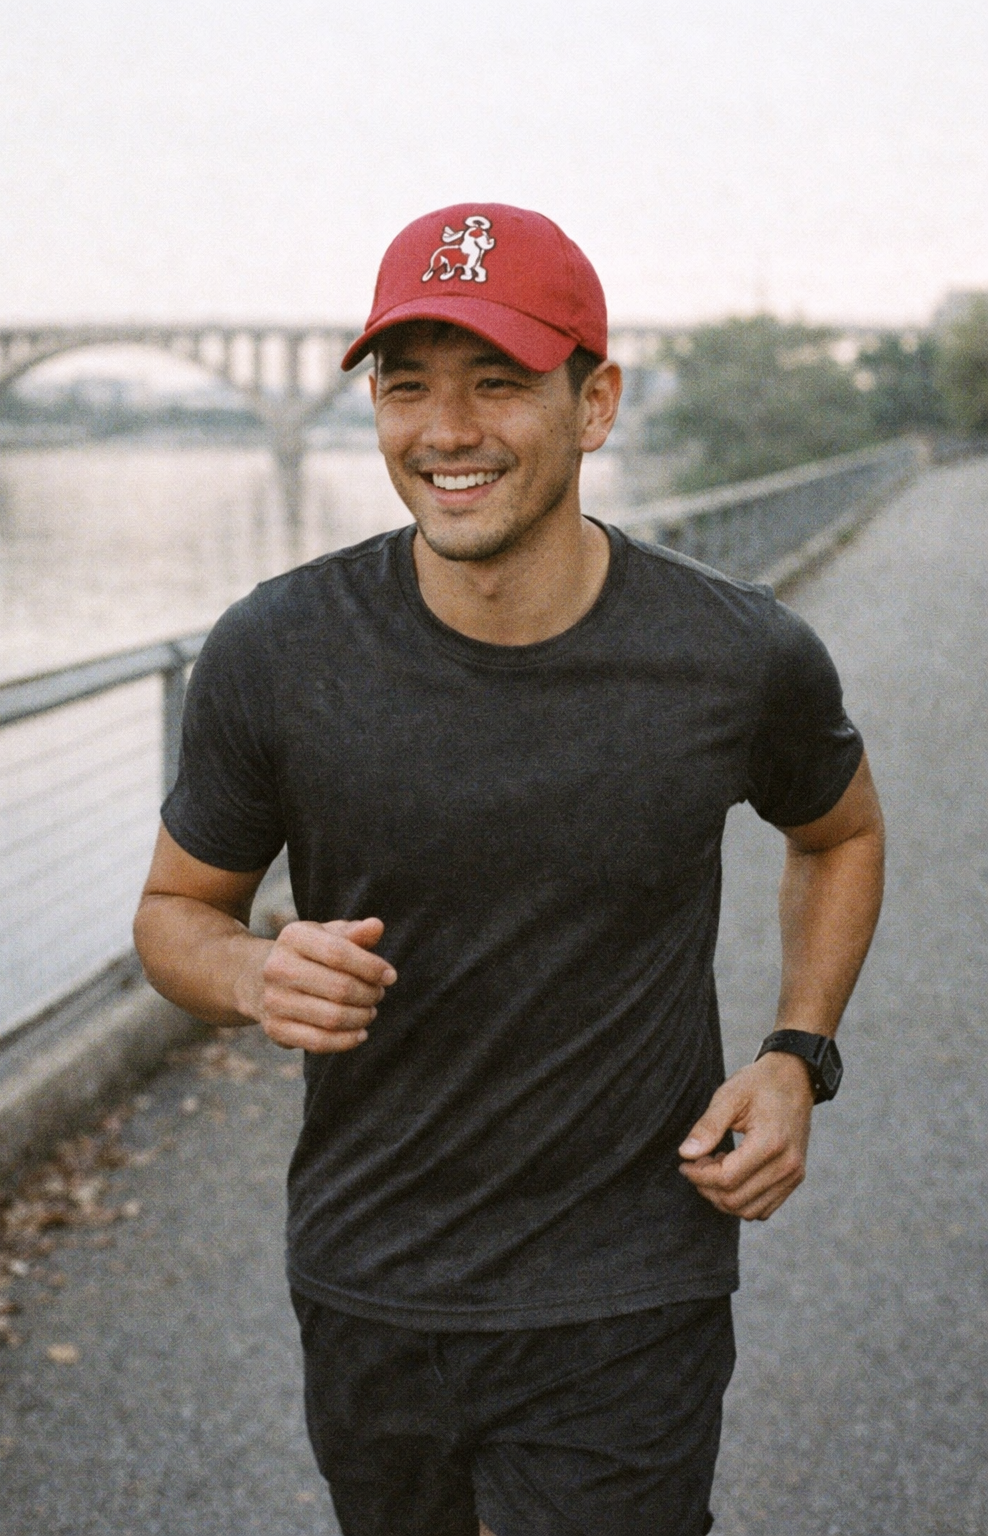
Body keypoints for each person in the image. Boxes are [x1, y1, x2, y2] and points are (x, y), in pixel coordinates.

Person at [134, 203, 885, 1536]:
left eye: (497, 380)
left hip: (627, 1288)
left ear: (593, 404)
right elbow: (175, 916)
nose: (446, 429)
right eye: (406, 383)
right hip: (370, 1281)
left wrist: (796, 1054)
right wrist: (252, 971)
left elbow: (840, 834)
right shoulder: (276, 651)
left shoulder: (735, 656)